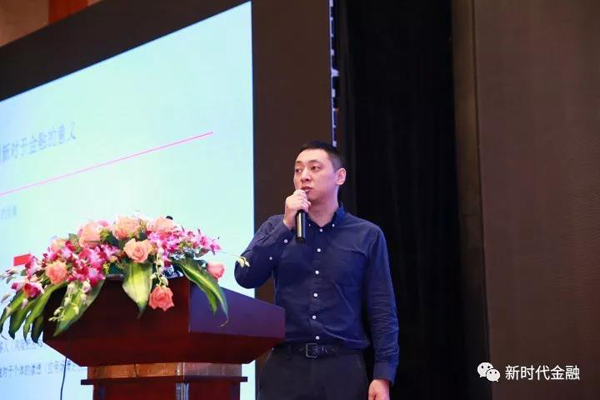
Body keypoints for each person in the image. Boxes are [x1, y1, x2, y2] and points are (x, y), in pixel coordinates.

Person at [235, 141, 399, 400]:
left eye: (314, 168)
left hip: (343, 369)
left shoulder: (367, 235)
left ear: (339, 177)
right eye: (298, 170)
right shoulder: (277, 227)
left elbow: (382, 309)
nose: (304, 176)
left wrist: (383, 375)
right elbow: (245, 276)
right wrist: (286, 226)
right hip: (286, 368)